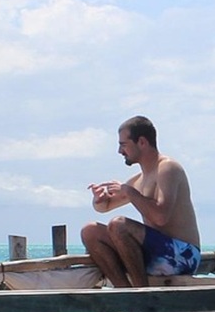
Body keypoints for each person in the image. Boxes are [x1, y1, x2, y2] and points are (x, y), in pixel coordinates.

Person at [81, 115, 203, 287]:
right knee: (90, 231)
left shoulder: (167, 168)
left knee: (119, 225)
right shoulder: (138, 179)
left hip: (183, 256)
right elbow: (104, 207)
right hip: (156, 254)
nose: (120, 151)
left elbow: (161, 217)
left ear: (142, 142)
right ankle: (127, 297)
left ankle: (142, 296)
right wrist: (99, 199)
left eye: (123, 145)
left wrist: (129, 192)